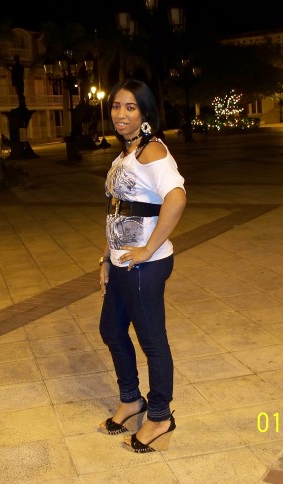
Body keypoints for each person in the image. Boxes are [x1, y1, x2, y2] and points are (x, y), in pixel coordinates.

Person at [98, 79, 186, 453]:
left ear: (145, 112)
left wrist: (148, 249)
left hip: (144, 267)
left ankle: (160, 415)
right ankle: (132, 399)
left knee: (152, 341)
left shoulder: (152, 151)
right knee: (111, 330)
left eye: (130, 107)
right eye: (116, 106)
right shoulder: (126, 154)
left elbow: (176, 198)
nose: (121, 114)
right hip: (122, 262)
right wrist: (107, 256)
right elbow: (118, 210)